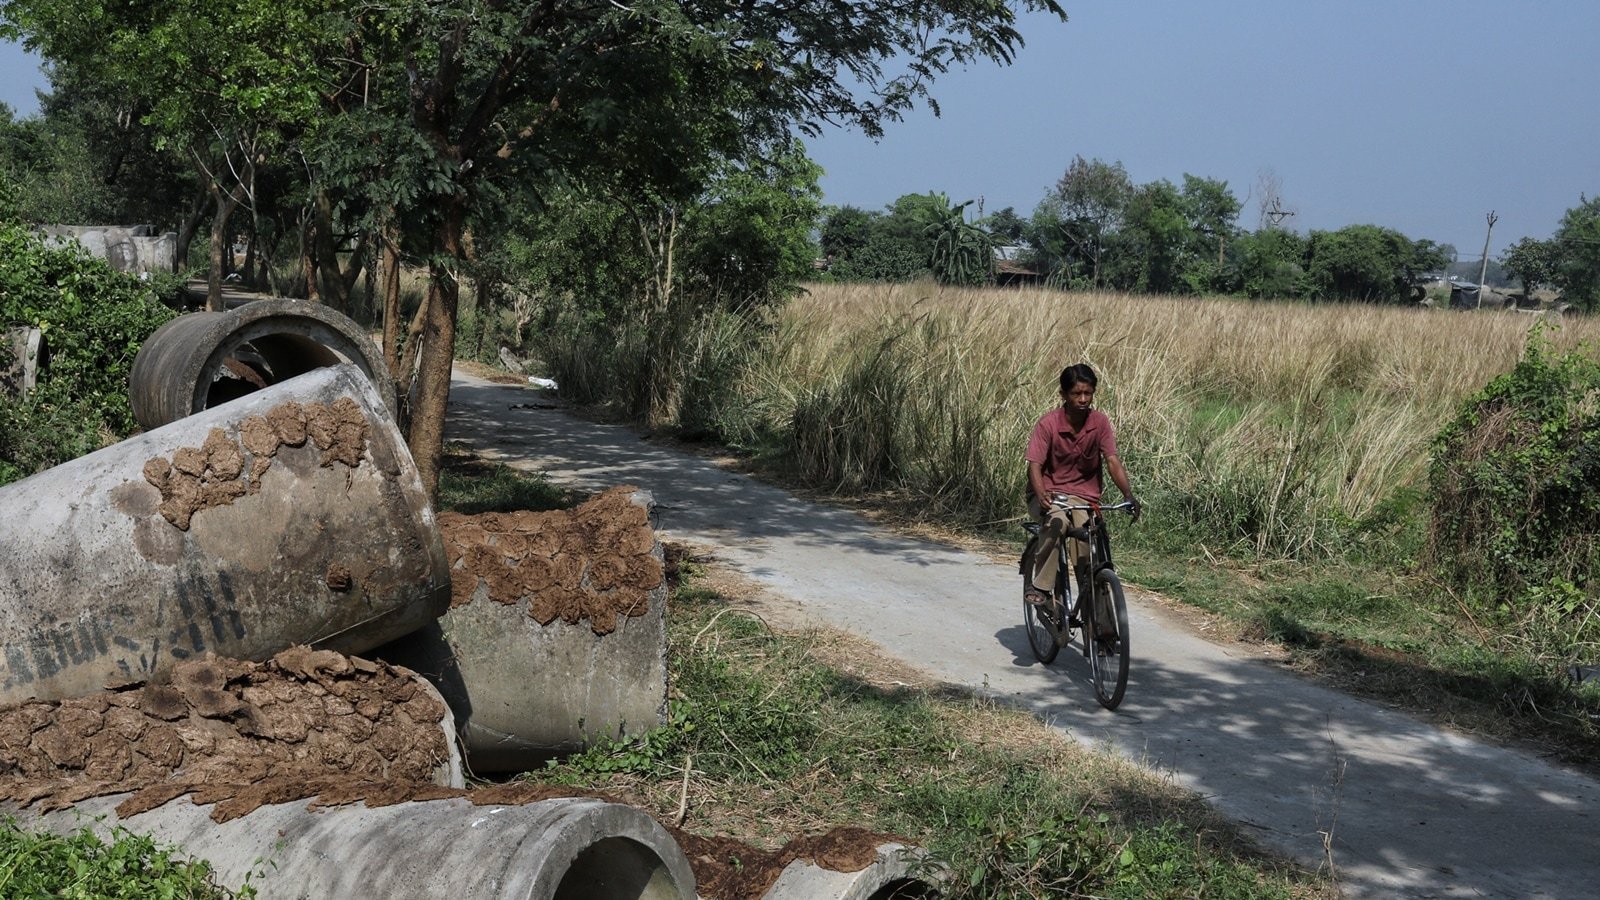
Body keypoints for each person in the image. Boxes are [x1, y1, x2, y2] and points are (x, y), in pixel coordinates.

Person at [1023, 363, 1140, 630]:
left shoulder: (1099, 423)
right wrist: (1042, 494)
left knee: (1088, 551)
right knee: (1057, 523)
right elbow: (1035, 467)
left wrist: (1128, 495)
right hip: (1049, 493)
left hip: (1084, 498)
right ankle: (1041, 588)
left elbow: (1112, 461)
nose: (1083, 400)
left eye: (1088, 393)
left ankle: (1101, 626)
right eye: (1077, 394)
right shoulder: (1048, 424)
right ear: (1063, 394)